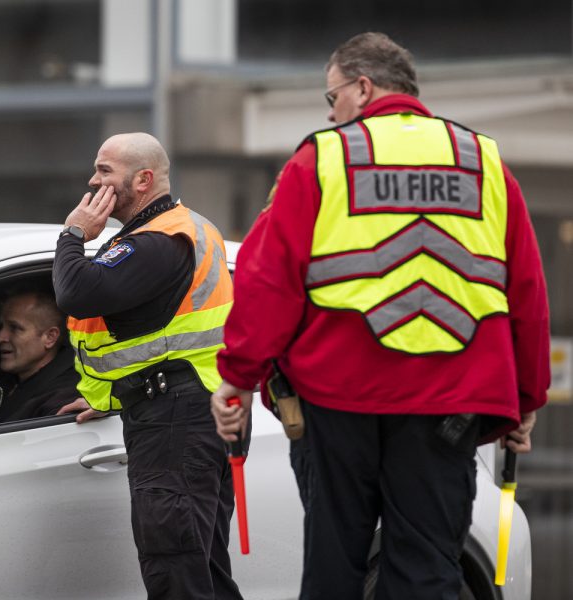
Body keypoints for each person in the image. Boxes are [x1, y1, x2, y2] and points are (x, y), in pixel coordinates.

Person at [210, 32, 550, 600]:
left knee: (334, 565)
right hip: (450, 400)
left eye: (332, 96)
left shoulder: (322, 158)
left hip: (338, 397)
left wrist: (238, 379)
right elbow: (526, 290)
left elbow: (268, 279)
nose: (331, 111)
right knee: (427, 570)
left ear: (363, 88)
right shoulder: (483, 162)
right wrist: (526, 397)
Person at [53, 132, 243, 600]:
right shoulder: (183, 228)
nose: (93, 181)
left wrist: (73, 233)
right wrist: (110, 395)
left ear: (142, 180)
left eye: (104, 171)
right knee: (200, 566)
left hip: (178, 419)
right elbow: (149, 336)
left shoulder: (160, 240)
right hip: (194, 407)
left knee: (176, 567)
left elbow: (76, 292)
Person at [0, 288, 79, 423]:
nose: (0, 337)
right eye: (1, 326)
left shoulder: (63, 396)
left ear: (50, 337)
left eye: (15, 328)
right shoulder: (1, 379)